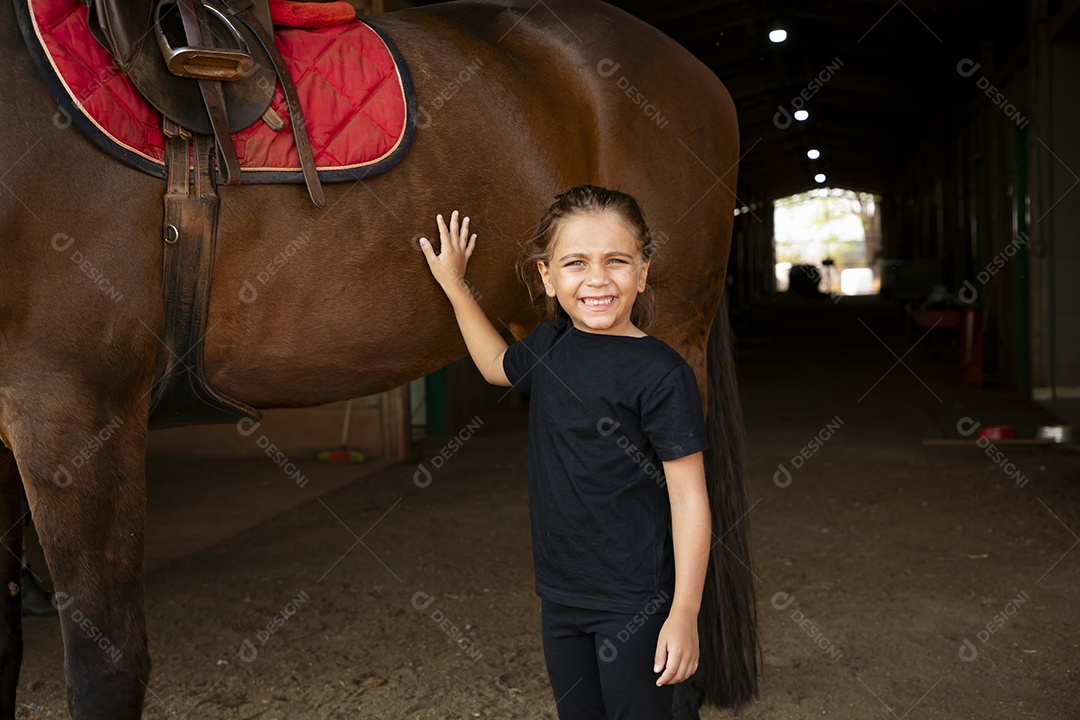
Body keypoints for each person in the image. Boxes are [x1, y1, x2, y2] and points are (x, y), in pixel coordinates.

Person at [419, 186, 712, 720]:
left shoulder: (662, 374)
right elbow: (495, 366)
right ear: (548, 278)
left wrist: (684, 611)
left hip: (637, 600)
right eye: (576, 263)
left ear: (642, 272)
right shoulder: (553, 344)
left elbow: (690, 498)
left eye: (616, 261)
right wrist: (455, 284)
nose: (597, 279)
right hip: (561, 595)